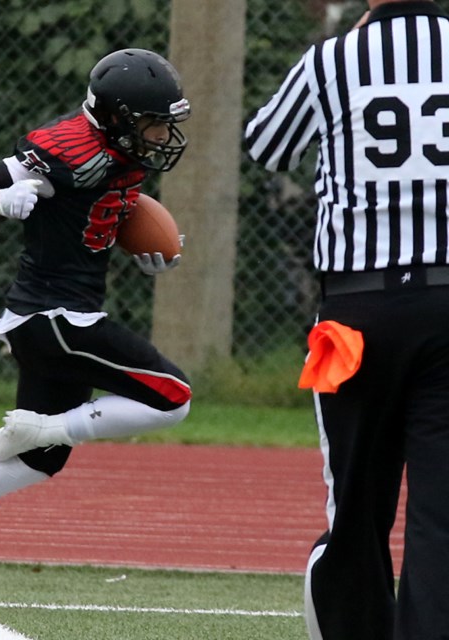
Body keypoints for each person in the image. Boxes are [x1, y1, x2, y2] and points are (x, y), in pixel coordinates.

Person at [0, 48, 194, 603]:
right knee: (173, 396)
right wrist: (2, 196)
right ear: (117, 117)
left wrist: (142, 249)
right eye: (152, 121)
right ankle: (47, 425)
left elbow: (96, 213)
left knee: (37, 462)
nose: (162, 133)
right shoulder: (62, 145)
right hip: (55, 318)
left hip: (55, 318)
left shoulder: (124, 152)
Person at [245, 2, 449, 638]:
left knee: (357, 503)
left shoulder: (333, 60)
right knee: (442, 510)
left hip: (356, 312)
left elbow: (268, 146)